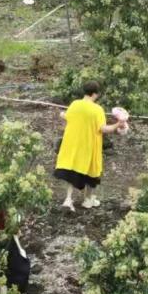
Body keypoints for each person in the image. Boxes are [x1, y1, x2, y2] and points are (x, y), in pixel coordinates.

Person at [53, 81, 126, 211]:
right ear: (95, 94)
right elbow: (103, 129)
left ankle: (68, 199)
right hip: (89, 146)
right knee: (91, 172)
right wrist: (118, 125)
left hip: (73, 144)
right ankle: (88, 199)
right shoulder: (97, 110)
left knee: (71, 170)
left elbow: (67, 116)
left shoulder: (75, 104)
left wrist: (62, 114)